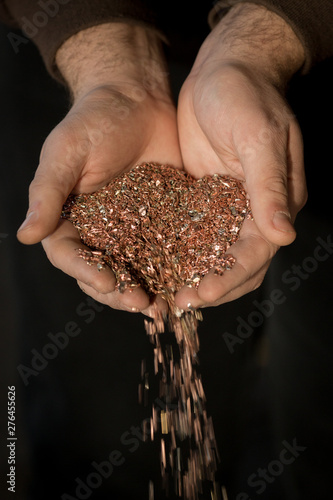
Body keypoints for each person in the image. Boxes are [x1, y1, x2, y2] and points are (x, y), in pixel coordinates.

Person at [1, 2, 333, 499]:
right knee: (98, 426)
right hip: (71, 54)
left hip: (307, 49)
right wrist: (107, 64)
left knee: (319, 391)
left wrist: (263, 37)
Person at [4, 0, 331, 315]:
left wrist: (257, 43)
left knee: (309, 314)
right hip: (66, 37)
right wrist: (105, 63)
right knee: (87, 343)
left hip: (303, 44)